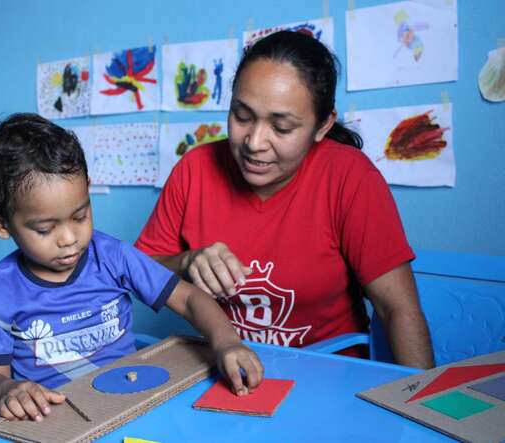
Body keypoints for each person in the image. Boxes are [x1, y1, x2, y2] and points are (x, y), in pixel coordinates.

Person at [135, 31, 434, 369]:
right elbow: (136, 269)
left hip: (329, 376)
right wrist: (186, 262)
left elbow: (397, 308)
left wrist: (419, 404)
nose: (254, 142)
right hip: (226, 368)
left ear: (322, 125)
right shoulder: (194, 169)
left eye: (282, 127)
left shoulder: (350, 177)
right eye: (242, 116)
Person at [0, 113, 263, 422]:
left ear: (87, 190)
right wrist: (6, 390)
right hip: (55, 420)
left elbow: (189, 298)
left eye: (80, 215)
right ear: (0, 224)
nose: (69, 239)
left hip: (132, 402)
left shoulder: (113, 256)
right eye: (44, 229)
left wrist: (226, 341)